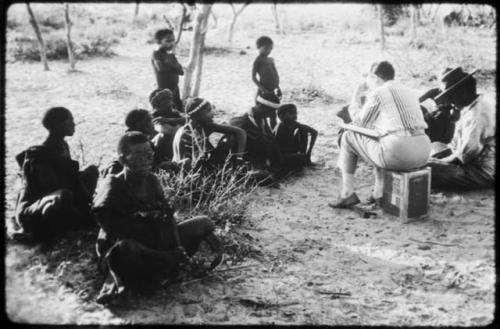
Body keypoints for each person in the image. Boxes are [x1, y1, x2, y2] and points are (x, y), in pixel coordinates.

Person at [92, 132, 223, 304]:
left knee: (203, 223)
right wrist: (145, 221)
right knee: (126, 248)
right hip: (127, 252)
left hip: (156, 242)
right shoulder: (112, 185)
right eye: (140, 154)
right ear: (123, 160)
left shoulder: (152, 180)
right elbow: (114, 233)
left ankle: (165, 265)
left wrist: (178, 249)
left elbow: (168, 218)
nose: (148, 158)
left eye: (150, 153)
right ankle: (159, 269)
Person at [330, 61, 430, 208]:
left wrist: (355, 95)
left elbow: (359, 123)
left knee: (348, 136)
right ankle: (378, 192)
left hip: (400, 153)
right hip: (423, 152)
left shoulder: (379, 92)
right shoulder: (409, 91)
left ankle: (347, 192)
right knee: (379, 140)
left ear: (375, 77)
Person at [10, 107, 98, 243]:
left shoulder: (62, 145)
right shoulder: (41, 153)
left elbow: (71, 179)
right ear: (57, 125)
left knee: (91, 171)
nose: (73, 124)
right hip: (33, 209)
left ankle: (78, 216)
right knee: (64, 195)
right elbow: (48, 188)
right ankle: (40, 232)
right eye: (69, 120)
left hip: (58, 198)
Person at [427, 67, 495, 189]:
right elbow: (456, 147)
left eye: (450, 96)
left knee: (427, 169)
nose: (448, 101)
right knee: (434, 151)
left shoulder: (477, 115)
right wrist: (437, 158)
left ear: (462, 91)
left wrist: (437, 163)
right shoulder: (473, 106)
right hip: (474, 163)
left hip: (481, 172)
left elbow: (463, 157)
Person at [101, 108, 180, 177]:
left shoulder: (143, 138)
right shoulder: (133, 141)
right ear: (139, 124)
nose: (152, 123)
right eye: (149, 120)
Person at [172, 97, 247, 170]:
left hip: (202, 167)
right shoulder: (185, 134)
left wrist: (239, 157)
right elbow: (185, 166)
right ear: (199, 115)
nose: (213, 113)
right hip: (190, 173)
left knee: (230, 138)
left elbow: (240, 132)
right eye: (208, 111)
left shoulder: (205, 125)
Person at [229, 103, 284, 177]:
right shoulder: (242, 121)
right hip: (245, 158)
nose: (272, 114)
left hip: (258, 157)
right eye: (270, 111)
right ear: (261, 107)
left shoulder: (261, 118)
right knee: (266, 176)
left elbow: (270, 138)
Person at [274, 103, 318, 170]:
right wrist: (280, 161)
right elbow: (274, 146)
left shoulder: (294, 124)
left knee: (303, 130)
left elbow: (314, 132)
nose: (295, 116)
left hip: (292, 152)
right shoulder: (280, 127)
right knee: (301, 158)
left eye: (295, 113)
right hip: (282, 155)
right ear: (281, 116)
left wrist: (309, 152)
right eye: (291, 114)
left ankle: (305, 158)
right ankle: (302, 159)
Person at [149, 88, 186, 162]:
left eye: (170, 100)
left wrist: (168, 120)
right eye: (166, 101)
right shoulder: (152, 117)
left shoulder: (174, 113)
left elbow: (188, 119)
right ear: (157, 104)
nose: (171, 103)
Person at [252, 36, 281, 129]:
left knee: (273, 114)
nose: (269, 51)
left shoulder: (271, 60)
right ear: (258, 47)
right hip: (263, 92)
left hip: (272, 91)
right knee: (261, 115)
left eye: (271, 48)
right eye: (266, 48)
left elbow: (275, 74)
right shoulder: (258, 60)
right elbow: (253, 77)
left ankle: (274, 134)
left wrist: (278, 87)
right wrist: (263, 89)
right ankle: (263, 133)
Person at [151, 29, 184, 112]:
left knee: (179, 111)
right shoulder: (157, 54)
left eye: (173, 40)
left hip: (175, 89)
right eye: (168, 41)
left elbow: (181, 72)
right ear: (159, 41)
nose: (172, 43)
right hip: (163, 91)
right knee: (165, 112)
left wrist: (169, 63)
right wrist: (173, 66)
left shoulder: (171, 56)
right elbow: (161, 69)